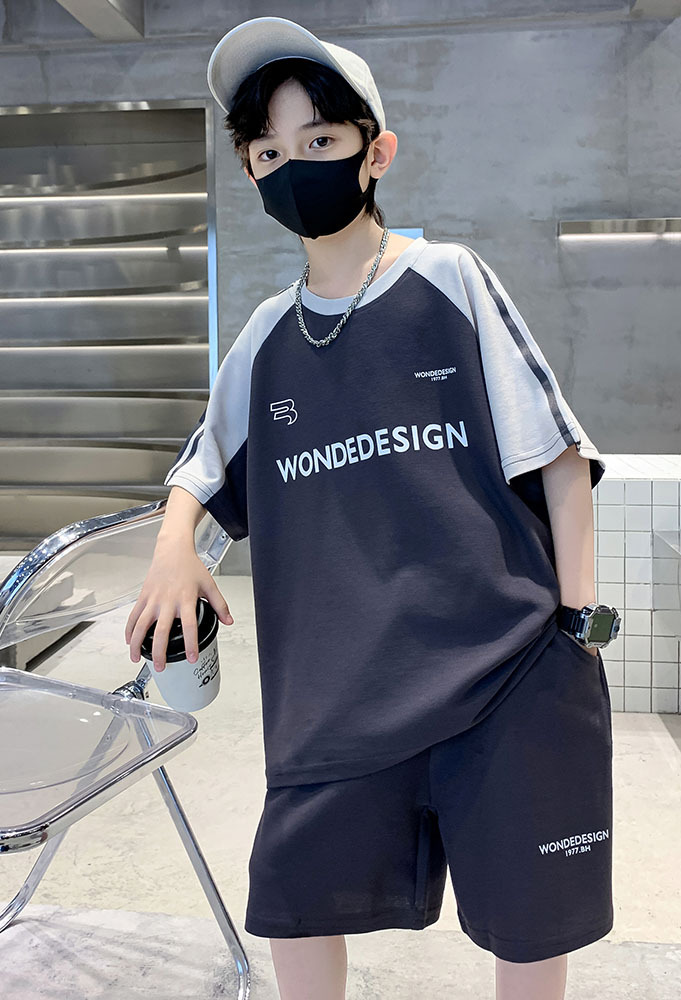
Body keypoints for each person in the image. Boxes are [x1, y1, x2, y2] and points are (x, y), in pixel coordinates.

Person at [125, 16, 619, 1000]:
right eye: (269, 154)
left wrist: (579, 633)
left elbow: (560, 456)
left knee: (529, 919)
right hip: (336, 697)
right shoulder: (264, 339)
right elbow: (200, 467)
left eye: (319, 141)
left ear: (375, 152)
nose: (292, 167)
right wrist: (173, 543)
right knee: (297, 900)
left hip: (503, 673)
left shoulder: (450, 280)